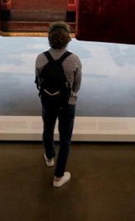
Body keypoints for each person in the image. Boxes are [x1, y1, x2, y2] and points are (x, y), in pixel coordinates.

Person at [35, 21, 82, 188]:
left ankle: (49, 157)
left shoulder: (41, 58)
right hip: (67, 103)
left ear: (49, 39)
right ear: (67, 40)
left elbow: (39, 82)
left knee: (47, 129)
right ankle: (58, 176)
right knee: (65, 139)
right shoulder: (74, 60)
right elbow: (77, 85)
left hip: (47, 100)